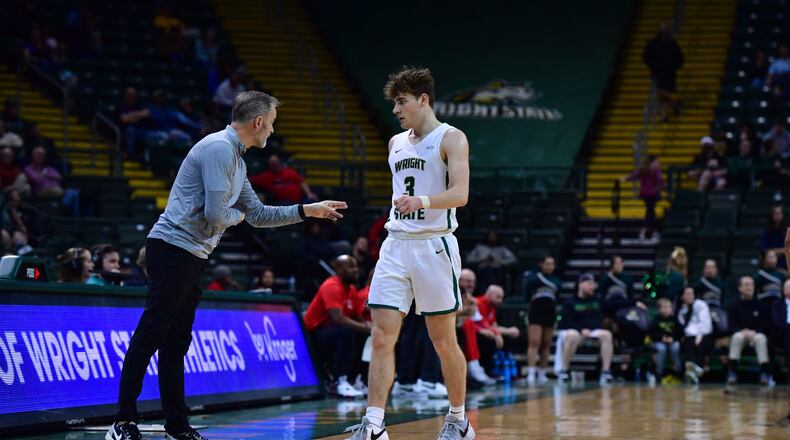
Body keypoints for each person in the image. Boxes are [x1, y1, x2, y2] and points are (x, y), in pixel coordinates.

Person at [107, 91, 347, 440]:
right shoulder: (219, 148)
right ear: (259, 122)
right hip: (172, 248)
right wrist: (237, 217)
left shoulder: (237, 160)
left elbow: (260, 215)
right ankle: (123, 421)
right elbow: (218, 215)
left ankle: (177, 425)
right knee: (151, 335)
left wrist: (307, 209)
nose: (273, 131)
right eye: (273, 124)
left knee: (176, 345)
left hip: (191, 254)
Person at [345, 67, 472, 440]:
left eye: (401, 102)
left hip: (435, 244)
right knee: (381, 335)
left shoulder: (452, 138)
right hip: (396, 244)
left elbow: (461, 194)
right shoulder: (395, 143)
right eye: (394, 103)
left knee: (442, 341)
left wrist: (424, 200)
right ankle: (373, 425)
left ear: (423, 99)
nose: (396, 110)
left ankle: (458, 420)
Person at [303, 255, 370, 398]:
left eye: (356, 267)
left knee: (364, 334)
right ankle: (339, 381)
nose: (355, 270)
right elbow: (338, 318)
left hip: (331, 333)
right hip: (312, 336)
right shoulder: (331, 286)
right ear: (338, 269)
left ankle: (355, 379)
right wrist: (364, 327)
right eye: (351, 267)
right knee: (347, 331)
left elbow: (356, 316)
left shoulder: (351, 289)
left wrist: (368, 326)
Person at [557, 273, 614, 384]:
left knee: (607, 335)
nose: (592, 286)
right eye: (589, 284)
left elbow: (602, 316)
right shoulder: (570, 302)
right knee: (571, 335)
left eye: (593, 284)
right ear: (580, 285)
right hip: (576, 331)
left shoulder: (597, 301)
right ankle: (564, 369)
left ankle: (605, 371)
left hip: (592, 331)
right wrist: (581, 329)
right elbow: (566, 322)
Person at [727, 276, 772, 386]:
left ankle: (764, 372)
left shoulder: (761, 305)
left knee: (761, 338)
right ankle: (732, 372)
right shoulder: (734, 306)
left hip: (755, 335)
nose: (750, 287)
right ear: (740, 288)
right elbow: (731, 325)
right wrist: (742, 331)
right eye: (746, 285)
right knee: (736, 337)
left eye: (752, 284)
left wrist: (754, 332)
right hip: (741, 335)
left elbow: (765, 325)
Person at [523, 255, 561, 385]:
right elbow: (527, 294)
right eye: (547, 264)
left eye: (552, 264)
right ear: (542, 264)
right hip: (536, 311)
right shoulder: (534, 278)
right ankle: (531, 372)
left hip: (550, 312)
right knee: (534, 342)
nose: (550, 266)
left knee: (546, 344)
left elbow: (558, 296)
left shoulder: (557, 280)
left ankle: (542, 373)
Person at [455, 268, 496, 386]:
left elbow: (479, 321)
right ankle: (473, 365)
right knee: (469, 325)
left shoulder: (472, 299)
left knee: (487, 337)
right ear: (459, 281)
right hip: (449, 327)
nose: (470, 285)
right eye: (467, 281)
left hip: (464, 328)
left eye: (472, 282)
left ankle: (476, 367)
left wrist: (494, 332)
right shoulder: (452, 293)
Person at [643, 22, 684, 122]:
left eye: (665, 28)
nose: (664, 30)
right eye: (662, 28)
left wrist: (675, 67)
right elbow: (647, 57)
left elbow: (680, 57)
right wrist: (654, 66)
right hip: (657, 73)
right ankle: (675, 103)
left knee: (663, 96)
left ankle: (664, 116)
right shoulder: (653, 43)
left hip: (670, 73)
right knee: (660, 92)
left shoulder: (672, 44)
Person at [474, 285, 520, 367]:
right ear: (489, 294)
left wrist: (501, 332)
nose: (501, 300)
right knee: (488, 338)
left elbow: (493, 326)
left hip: (485, 332)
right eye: (498, 297)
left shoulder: (492, 307)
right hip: (475, 335)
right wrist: (504, 332)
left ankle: (503, 367)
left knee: (508, 335)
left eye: (502, 297)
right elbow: (485, 327)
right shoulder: (479, 303)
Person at [623, 154, 665, 240]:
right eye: (657, 161)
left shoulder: (644, 169)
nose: (658, 163)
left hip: (645, 193)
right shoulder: (656, 170)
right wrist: (661, 188)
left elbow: (634, 175)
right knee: (650, 212)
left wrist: (625, 179)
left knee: (650, 211)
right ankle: (649, 231)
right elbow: (661, 181)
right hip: (652, 193)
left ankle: (648, 231)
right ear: (653, 162)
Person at [677, 286, 713, 385]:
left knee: (700, 343)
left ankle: (694, 372)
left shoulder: (700, 304)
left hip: (705, 334)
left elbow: (706, 324)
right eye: (687, 294)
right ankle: (694, 372)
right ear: (682, 296)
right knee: (688, 341)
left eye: (691, 293)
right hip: (690, 336)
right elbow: (684, 327)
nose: (689, 296)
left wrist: (699, 335)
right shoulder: (681, 310)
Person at [248, 154, 319, 204]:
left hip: (299, 200)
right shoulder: (266, 176)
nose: (275, 165)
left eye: (276, 162)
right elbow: (250, 179)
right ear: (269, 165)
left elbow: (301, 182)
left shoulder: (289, 171)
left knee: (313, 202)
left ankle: (314, 225)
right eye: (273, 163)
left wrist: (309, 193)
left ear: (280, 162)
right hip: (281, 203)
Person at [649, 297, 682, 382]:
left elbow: (679, 332)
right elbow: (651, 333)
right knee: (661, 349)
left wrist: (672, 338)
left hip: (672, 341)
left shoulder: (674, 318)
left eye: (669, 307)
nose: (668, 309)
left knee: (676, 347)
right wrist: (661, 338)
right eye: (665, 307)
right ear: (659, 309)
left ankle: (678, 371)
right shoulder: (656, 319)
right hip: (659, 341)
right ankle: (659, 373)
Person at [118, 87, 151, 162]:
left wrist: (131, 116)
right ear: (125, 95)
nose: (131, 96)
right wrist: (137, 116)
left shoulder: (139, 105)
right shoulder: (121, 106)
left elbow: (147, 113)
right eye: (129, 94)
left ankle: (147, 159)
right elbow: (124, 119)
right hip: (125, 132)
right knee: (130, 130)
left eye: (133, 94)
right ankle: (130, 155)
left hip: (141, 131)